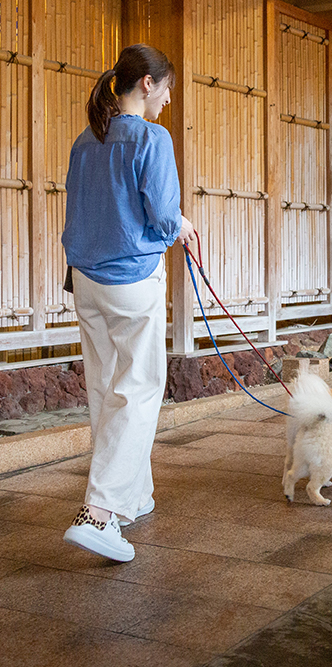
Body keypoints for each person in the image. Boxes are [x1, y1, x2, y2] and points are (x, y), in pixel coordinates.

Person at [61, 43, 195, 562]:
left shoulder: (84, 140)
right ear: (147, 84)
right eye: (166, 90)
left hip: (85, 280)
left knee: (106, 389)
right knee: (138, 392)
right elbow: (162, 214)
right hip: (131, 280)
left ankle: (133, 496)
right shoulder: (151, 138)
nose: (167, 101)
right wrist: (181, 224)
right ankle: (99, 513)